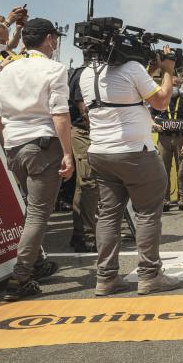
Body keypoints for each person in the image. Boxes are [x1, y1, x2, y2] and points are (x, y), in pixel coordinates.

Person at [79, 38, 181, 298]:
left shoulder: (87, 74)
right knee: (147, 213)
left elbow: (129, 92)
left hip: (101, 152)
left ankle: (106, 277)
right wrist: (167, 70)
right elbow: (160, 101)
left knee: (109, 215)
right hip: (135, 152)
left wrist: (151, 70)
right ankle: (150, 275)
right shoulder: (132, 69)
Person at [0, 19, 75, 301]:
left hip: (14, 145)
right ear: (50, 39)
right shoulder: (54, 68)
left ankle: (35, 264)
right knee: (39, 213)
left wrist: (8, 145)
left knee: (32, 209)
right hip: (43, 144)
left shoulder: (6, 70)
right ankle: (21, 276)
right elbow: (60, 114)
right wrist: (67, 152)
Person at [67, 60, 99, 252]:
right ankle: (87, 235)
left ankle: (80, 234)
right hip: (84, 131)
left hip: (87, 132)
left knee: (84, 185)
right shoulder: (84, 74)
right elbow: (85, 113)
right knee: (89, 183)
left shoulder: (87, 71)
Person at [154, 80, 183, 212]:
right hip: (164, 139)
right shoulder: (159, 99)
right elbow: (150, 117)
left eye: (176, 84)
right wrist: (155, 124)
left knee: (182, 171)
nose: (174, 87)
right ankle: (165, 202)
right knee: (163, 172)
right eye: (172, 84)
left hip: (181, 139)